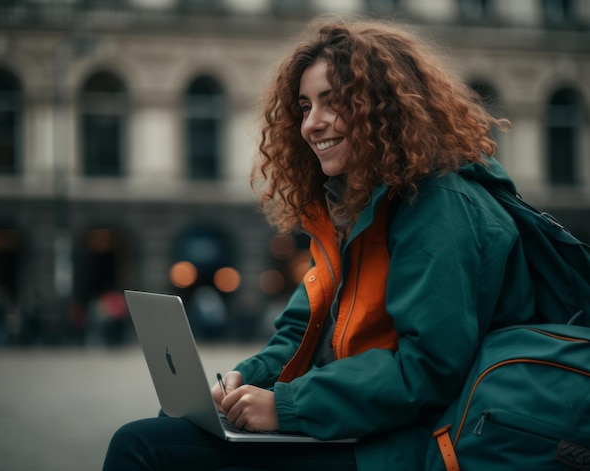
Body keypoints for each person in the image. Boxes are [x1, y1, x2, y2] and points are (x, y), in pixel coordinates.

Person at [102, 16, 536, 471]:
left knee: (144, 448)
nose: (312, 123)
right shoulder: (352, 209)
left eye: (334, 103)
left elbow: (428, 368)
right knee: (167, 433)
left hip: (417, 446)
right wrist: (244, 381)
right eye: (305, 106)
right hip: (363, 426)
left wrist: (285, 407)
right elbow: (300, 332)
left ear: (385, 108)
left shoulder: (438, 205)